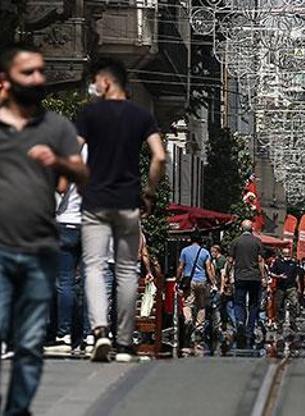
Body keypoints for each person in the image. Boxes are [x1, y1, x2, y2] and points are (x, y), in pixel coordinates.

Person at [0, 43, 88, 415]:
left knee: (32, 340)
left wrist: (59, 162)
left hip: (40, 244)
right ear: (7, 81)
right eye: (28, 72)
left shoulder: (56, 127)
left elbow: (84, 175)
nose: (38, 79)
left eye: (41, 71)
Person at [78, 57, 166, 363]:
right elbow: (159, 157)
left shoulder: (90, 114)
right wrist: (149, 193)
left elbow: (73, 152)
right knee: (127, 270)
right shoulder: (141, 116)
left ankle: (100, 332)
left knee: (94, 266)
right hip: (129, 203)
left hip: (95, 203)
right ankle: (126, 342)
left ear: (104, 82)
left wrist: (80, 181)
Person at [47, 144, 88, 353]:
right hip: (92, 222)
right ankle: (91, 335)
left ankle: (64, 334)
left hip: (67, 221)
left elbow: (61, 187)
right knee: (92, 280)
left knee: (65, 282)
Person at [176, 232, 216, 355]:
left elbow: (181, 267)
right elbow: (209, 268)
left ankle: (188, 320)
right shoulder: (205, 252)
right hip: (202, 281)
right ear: (200, 241)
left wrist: (177, 279)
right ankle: (199, 327)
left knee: (188, 303)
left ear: (190, 240)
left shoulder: (184, 251)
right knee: (201, 305)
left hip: (189, 281)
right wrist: (213, 282)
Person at [231, 219, 265, 349]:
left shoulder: (235, 242)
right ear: (252, 229)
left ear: (241, 228)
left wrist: (229, 276)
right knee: (254, 303)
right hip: (254, 277)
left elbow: (230, 261)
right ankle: (250, 328)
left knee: (239, 302)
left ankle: (240, 322)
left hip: (240, 276)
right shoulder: (257, 242)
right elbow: (260, 261)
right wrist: (263, 277)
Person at [270, 247, 300, 332]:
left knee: (294, 304)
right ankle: (280, 323)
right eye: (285, 254)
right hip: (280, 287)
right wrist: (279, 276)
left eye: (288, 254)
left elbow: (297, 276)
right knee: (279, 306)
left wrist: (299, 288)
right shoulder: (277, 262)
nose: (287, 256)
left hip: (291, 287)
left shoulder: (293, 263)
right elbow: (271, 273)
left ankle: (293, 322)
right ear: (282, 254)